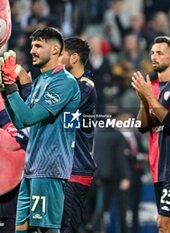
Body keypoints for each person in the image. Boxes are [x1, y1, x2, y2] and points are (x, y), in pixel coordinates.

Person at [0, 27, 80, 233]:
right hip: (32, 168)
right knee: (20, 230)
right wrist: (5, 92)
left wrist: (11, 87)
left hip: (50, 168)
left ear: (55, 50)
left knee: (45, 230)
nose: (32, 51)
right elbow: (20, 122)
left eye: (38, 46)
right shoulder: (40, 81)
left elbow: (29, 116)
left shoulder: (64, 82)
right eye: (32, 46)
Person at [131, 36, 170, 233]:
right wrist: (143, 101)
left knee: (164, 224)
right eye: (152, 52)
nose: (154, 57)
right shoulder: (153, 86)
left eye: (159, 53)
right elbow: (142, 126)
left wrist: (149, 96)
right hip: (158, 167)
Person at [59, 37, 97, 233]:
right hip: (59, 168)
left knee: (66, 228)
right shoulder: (66, 84)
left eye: (61, 53)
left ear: (74, 58)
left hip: (76, 168)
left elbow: (62, 113)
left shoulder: (86, 88)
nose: (56, 57)